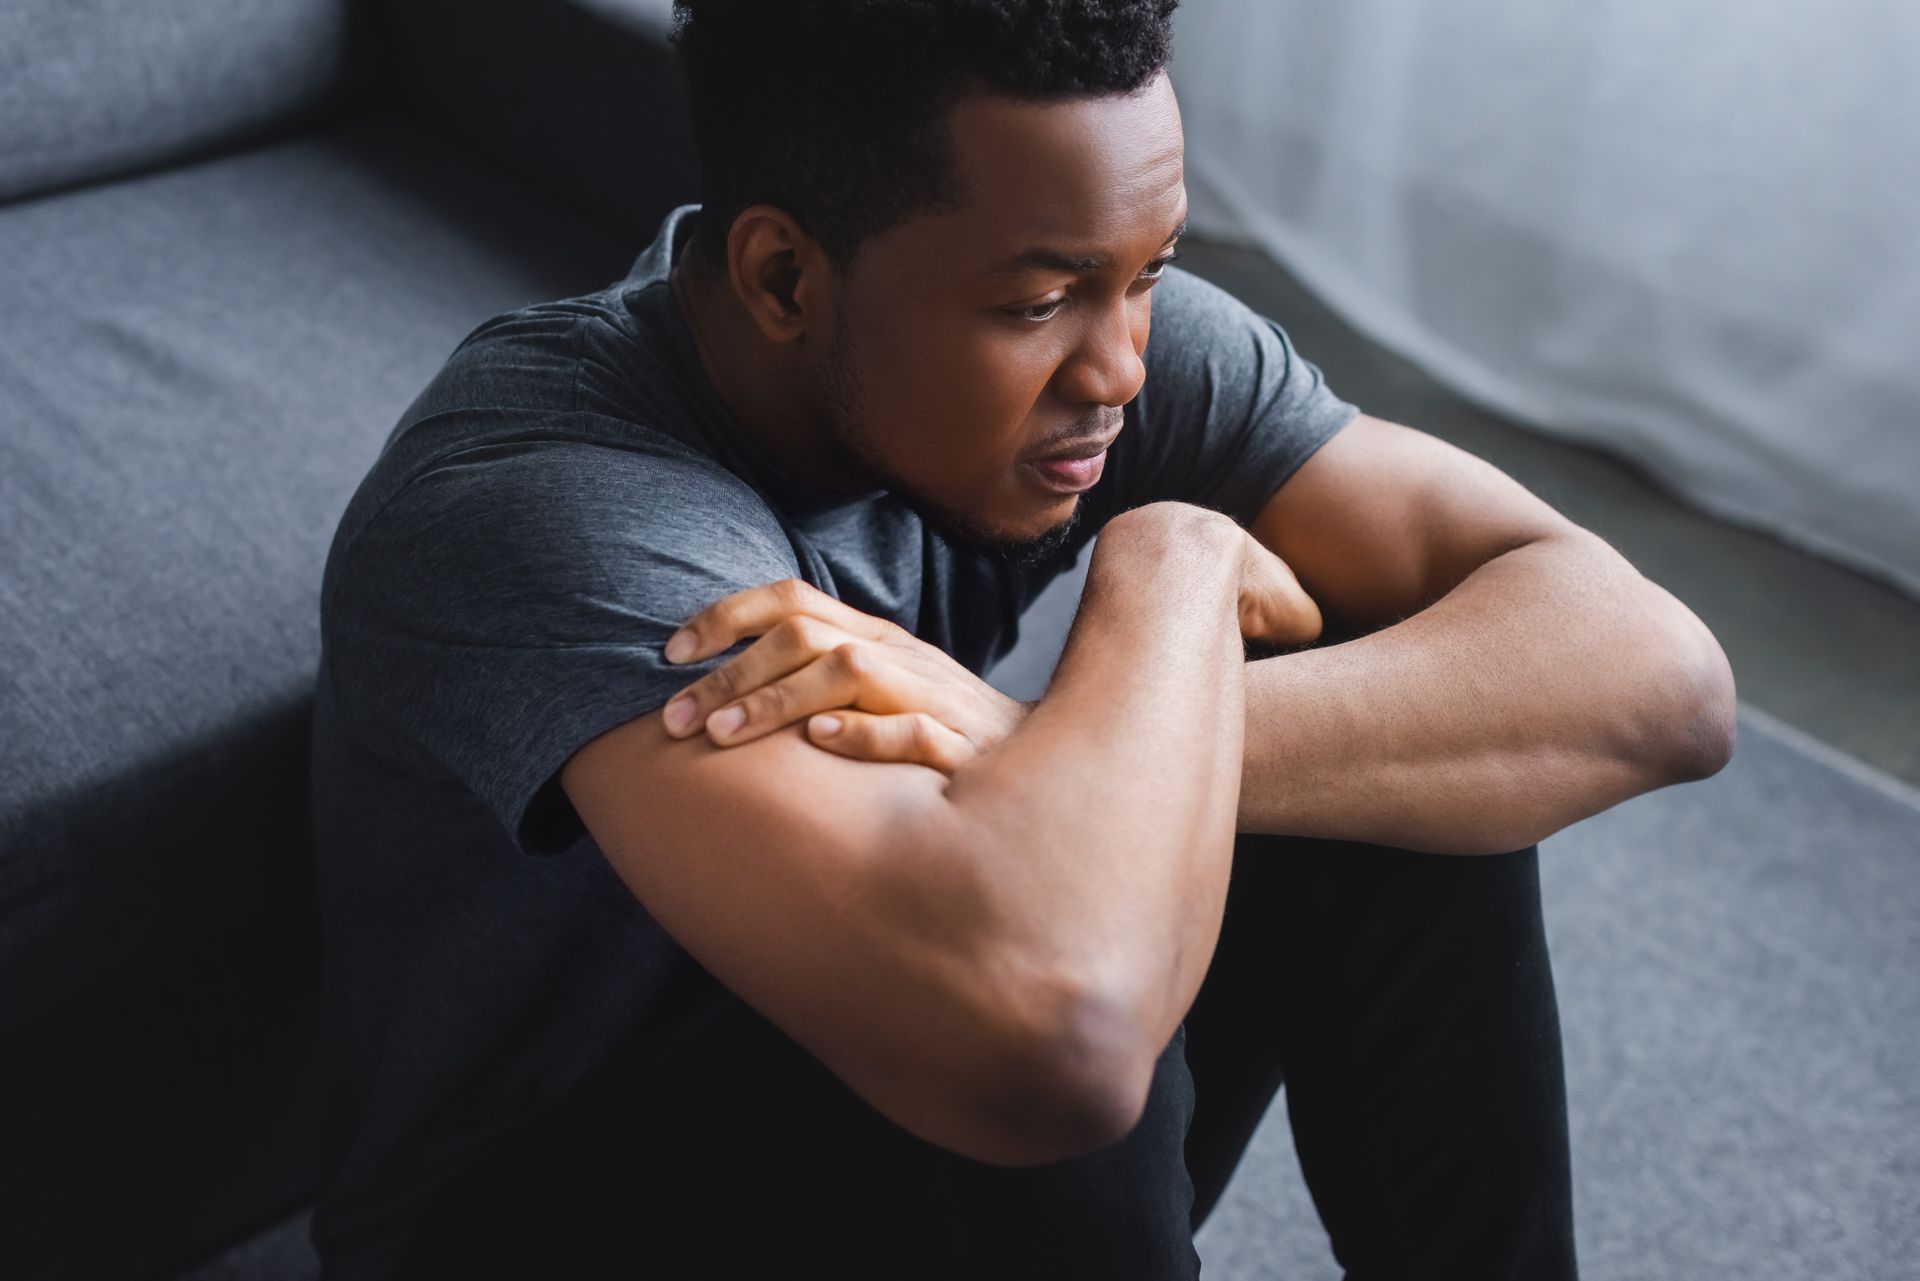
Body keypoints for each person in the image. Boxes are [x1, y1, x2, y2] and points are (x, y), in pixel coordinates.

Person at [307, 2, 1736, 1277]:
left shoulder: (1109, 345)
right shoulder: (555, 508)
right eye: (1038, 303)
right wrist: (1165, 564)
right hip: (557, 1212)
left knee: (1385, 722)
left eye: (1153, 271)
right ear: (786, 282)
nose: (1118, 367)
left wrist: (1040, 741)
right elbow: (1048, 1041)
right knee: (1050, 931)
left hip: (924, 1079)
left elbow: (1661, 678)